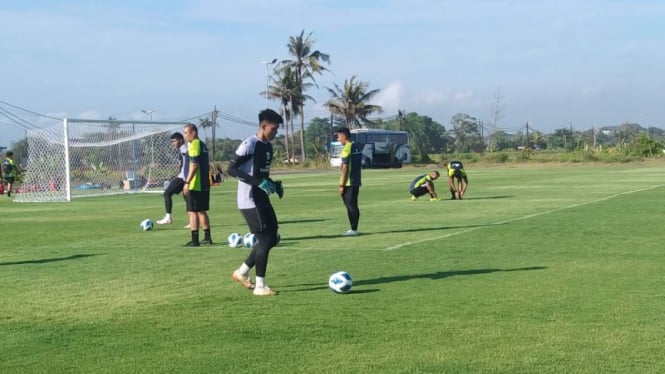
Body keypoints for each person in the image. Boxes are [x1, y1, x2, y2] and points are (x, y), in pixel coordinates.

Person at [227, 109, 284, 296]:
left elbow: (261, 174)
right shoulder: (249, 144)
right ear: (263, 126)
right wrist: (257, 182)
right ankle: (260, 286)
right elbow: (232, 169)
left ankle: (241, 272)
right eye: (273, 129)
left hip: (262, 197)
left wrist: (274, 185)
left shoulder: (267, 146)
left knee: (273, 237)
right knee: (265, 239)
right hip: (249, 199)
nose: (275, 133)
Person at [182, 123, 212, 247]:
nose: (185, 136)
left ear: (193, 132)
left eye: (186, 133)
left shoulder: (194, 145)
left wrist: (187, 182)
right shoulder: (203, 145)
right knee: (201, 211)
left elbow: (194, 165)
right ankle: (207, 237)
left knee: (192, 211)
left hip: (195, 184)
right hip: (205, 183)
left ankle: (195, 240)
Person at [157, 132, 189, 225]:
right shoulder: (181, 149)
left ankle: (168, 217)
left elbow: (189, 158)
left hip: (183, 178)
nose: (173, 143)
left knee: (167, 193)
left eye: (174, 141)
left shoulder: (184, 149)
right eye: (172, 142)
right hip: (183, 177)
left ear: (181, 140)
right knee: (187, 197)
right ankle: (193, 220)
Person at [336, 126, 362, 236]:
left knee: (350, 205)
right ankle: (354, 228)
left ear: (343, 135)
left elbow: (345, 168)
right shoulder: (356, 146)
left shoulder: (346, 148)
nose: (338, 139)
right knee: (354, 205)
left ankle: (353, 229)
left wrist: (341, 185)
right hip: (356, 180)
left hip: (348, 182)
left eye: (338, 136)